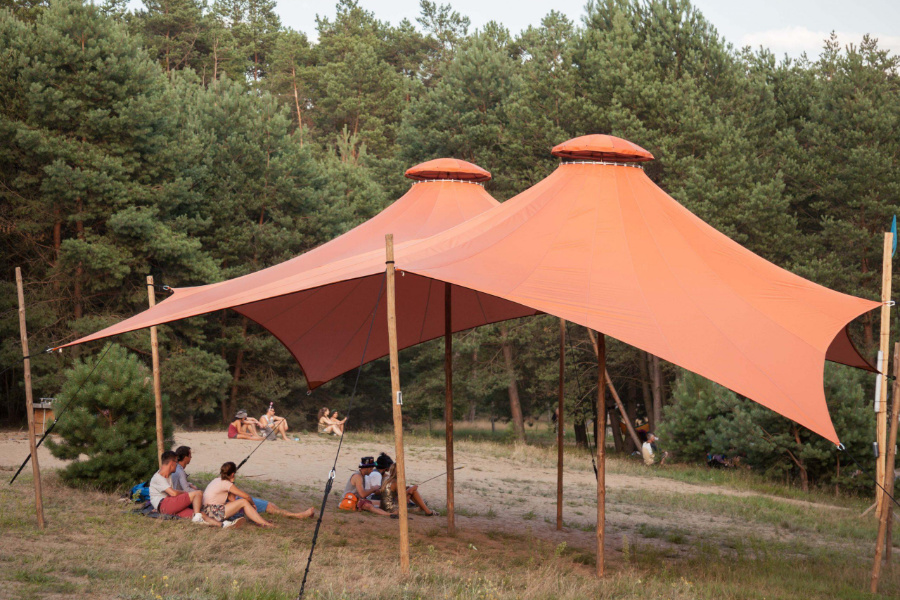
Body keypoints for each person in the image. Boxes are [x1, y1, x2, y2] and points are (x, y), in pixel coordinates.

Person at [149, 450, 234, 528]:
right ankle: (197, 517)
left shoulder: (168, 475)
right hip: (165, 504)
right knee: (198, 493)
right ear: (171, 463)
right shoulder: (158, 477)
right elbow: (173, 493)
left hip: (167, 507)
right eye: (176, 461)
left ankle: (222, 525)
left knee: (201, 514)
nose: (177, 464)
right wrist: (186, 493)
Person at [202, 462, 274, 527]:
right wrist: (253, 504)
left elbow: (232, 499)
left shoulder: (216, 480)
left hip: (207, 511)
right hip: (213, 511)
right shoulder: (226, 483)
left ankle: (257, 520)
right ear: (233, 474)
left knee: (237, 503)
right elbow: (247, 496)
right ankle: (265, 523)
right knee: (243, 501)